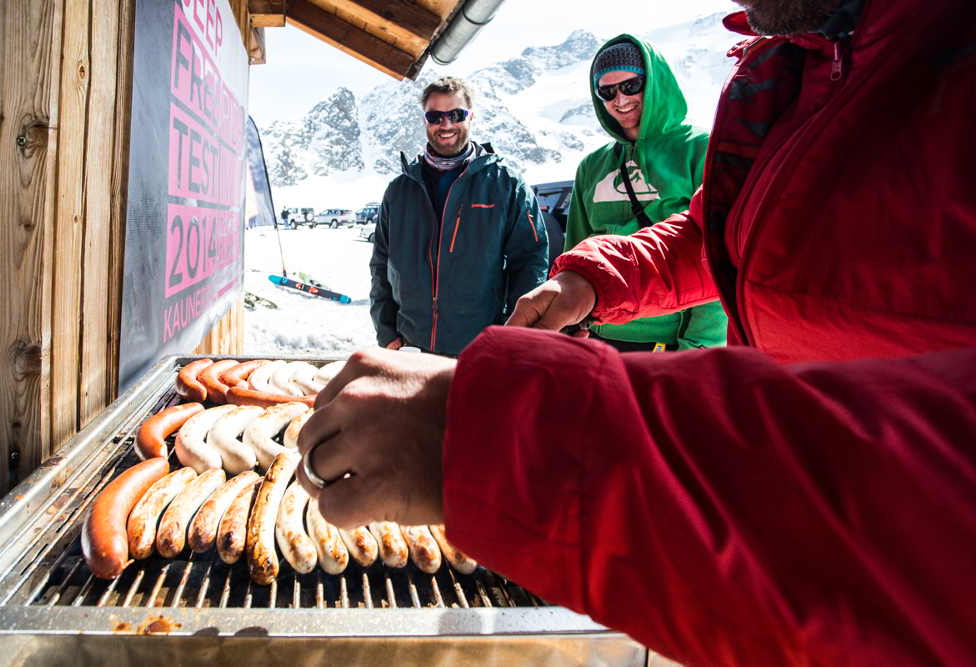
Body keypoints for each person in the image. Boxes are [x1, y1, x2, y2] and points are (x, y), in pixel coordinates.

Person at [297, 0, 976, 665]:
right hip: (768, 586)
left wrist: (498, 432)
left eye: (631, 87)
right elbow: (735, 236)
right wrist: (594, 278)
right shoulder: (808, 62)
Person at [566, 35, 727, 352]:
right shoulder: (591, 167)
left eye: (630, 85)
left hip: (667, 341)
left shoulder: (701, 149)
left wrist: (698, 348)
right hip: (598, 336)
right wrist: (570, 324)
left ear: (654, 82)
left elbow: (718, 257)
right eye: (607, 91)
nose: (619, 99)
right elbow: (577, 250)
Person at [369, 76, 548, 356]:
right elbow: (381, 263)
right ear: (425, 120)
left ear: (471, 117)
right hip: (410, 346)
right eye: (435, 116)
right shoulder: (400, 190)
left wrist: (513, 332)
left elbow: (530, 262)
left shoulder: (506, 185)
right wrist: (386, 328)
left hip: (481, 347)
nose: (446, 124)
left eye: (455, 114)